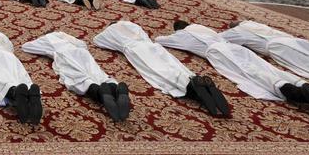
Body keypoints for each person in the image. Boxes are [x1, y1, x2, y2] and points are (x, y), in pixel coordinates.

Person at [157, 21, 309, 126]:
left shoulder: (183, 35)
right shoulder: (206, 29)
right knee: (267, 67)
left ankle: (292, 91)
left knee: (253, 74)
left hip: (220, 53)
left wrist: (172, 35)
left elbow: (160, 40)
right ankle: (303, 84)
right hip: (237, 49)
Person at [93, 21, 230, 117]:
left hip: (136, 50)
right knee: (174, 66)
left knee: (160, 73)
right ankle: (194, 79)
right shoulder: (131, 25)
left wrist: (107, 31)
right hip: (153, 46)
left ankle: (191, 88)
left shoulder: (110, 31)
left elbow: (97, 40)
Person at [22, 31, 130, 121]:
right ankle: (115, 87)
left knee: (78, 78)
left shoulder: (46, 39)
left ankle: (100, 91)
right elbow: (83, 44)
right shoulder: (63, 35)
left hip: (65, 55)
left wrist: (44, 47)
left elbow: (26, 47)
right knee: (98, 74)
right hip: (82, 53)